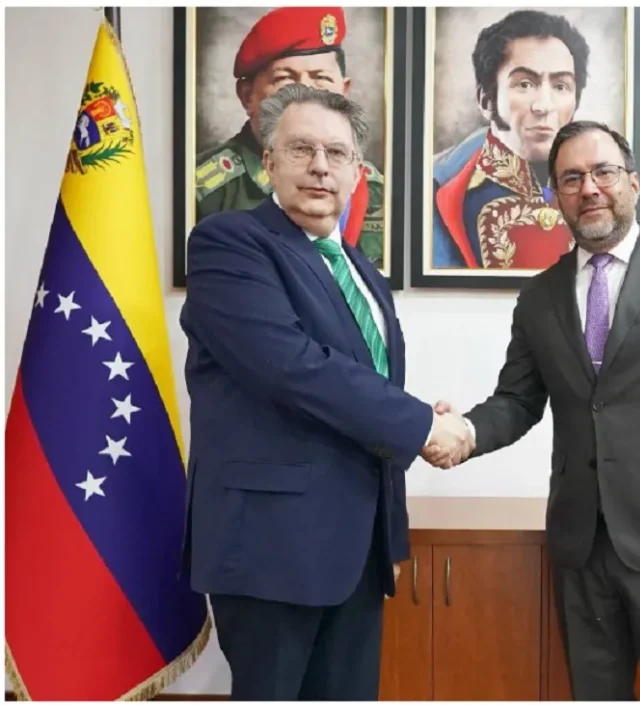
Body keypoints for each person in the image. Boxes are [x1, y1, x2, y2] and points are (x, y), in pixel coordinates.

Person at [425, 121, 640, 700]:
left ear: (632, 183)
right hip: (580, 546)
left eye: (603, 172)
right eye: (571, 178)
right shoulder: (539, 296)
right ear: (555, 196)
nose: (589, 188)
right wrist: (464, 432)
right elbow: (517, 401)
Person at [179, 84, 470, 700]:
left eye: (336, 154)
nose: (320, 166)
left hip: (355, 554)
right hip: (271, 549)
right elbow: (294, 368)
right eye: (301, 149)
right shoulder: (229, 244)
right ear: (268, 162)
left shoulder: (363, 271)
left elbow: (366, 399)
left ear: (357, 172)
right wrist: (422, 425)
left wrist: (388, 537)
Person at [195, 6, 387, 267]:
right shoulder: (206, 191)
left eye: (321, 79)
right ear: (248, 96)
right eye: (286, 80)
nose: (306, 94)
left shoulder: (375, 189)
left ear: (344, 92)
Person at [432, 9, 589, 270]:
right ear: (486, 100)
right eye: (524, 84)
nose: (544, 106)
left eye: (561, 86)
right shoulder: (438, 189)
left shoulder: (597, 188)